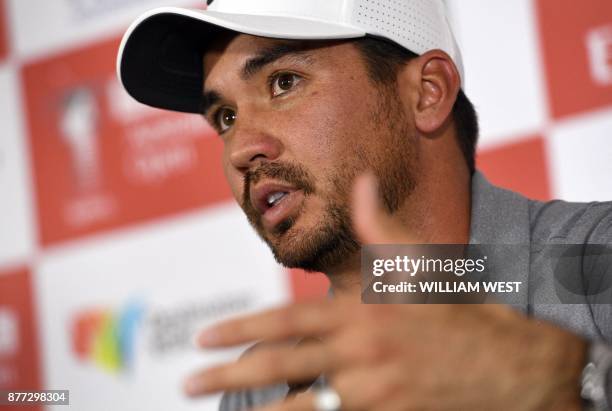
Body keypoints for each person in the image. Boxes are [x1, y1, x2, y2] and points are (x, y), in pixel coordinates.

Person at [117, 1, 612, 410]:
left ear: (427, 93)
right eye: (224, 117)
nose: (241, 148)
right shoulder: (266, 386)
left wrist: (559, 379)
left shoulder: (596, 264)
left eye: (283, 82)